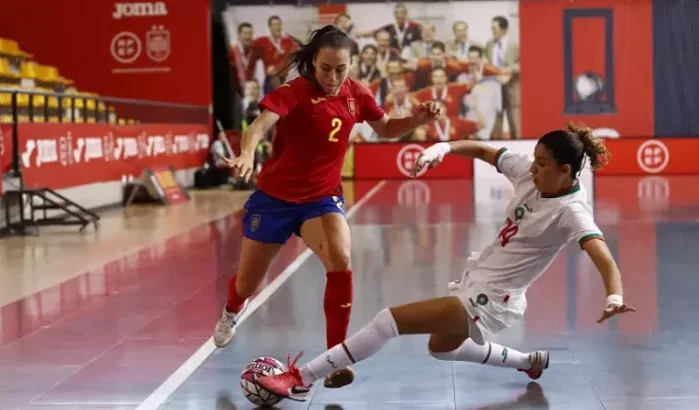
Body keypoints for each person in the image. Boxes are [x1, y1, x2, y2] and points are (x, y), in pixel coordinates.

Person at [256, 123, 637, 401]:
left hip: (494, 298)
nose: (532, 168)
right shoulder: (530, 173)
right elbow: (486, 151)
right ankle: (528, 361)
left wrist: (614, 295)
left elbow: (603, 256)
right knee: (441, 348)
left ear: (566, 171)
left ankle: (302, 378)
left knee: (388, 320)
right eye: (534, 161)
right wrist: (444, 147)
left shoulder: (572, 212)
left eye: (541, 164)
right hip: (478, 281)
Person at [213, 24, 443, 389]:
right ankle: (232, 309)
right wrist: (245, 153)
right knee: (247, 283)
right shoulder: (295, 91)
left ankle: (335, 357)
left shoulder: (357, 94)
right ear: (312, 63)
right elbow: (258, 126)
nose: (333, 77)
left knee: (341, 259)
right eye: (325, 68)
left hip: (320, 199)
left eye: (341, 68)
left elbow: (384, 129)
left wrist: (416, 120)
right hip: (274, 200)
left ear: (351, 64)